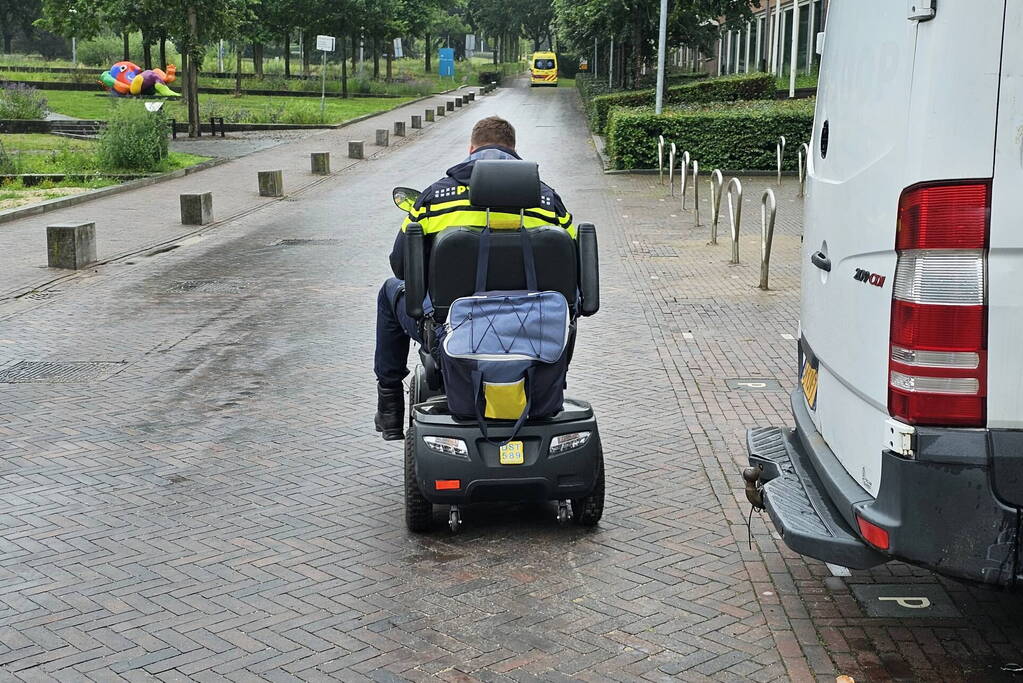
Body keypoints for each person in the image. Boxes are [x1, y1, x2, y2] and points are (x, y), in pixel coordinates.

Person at [374, 116, 575, 440]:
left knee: (389, 291)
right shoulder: (549, 202)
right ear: (513, 151)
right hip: (539, 344)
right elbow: (572, 275)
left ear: (471, 150)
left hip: (450, 340)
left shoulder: (434, 199)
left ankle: (390, 408)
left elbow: (401, 266)